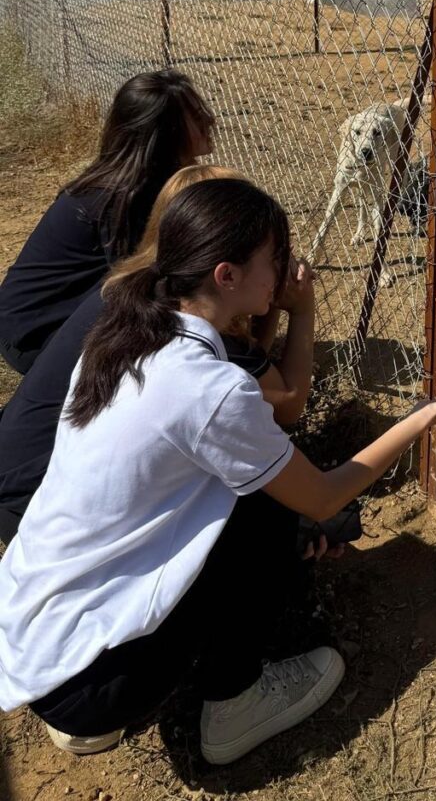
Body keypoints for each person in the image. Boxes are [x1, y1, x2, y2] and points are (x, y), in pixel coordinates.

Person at [0, 178, 436, 765]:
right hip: (93, 685)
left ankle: (90, 696)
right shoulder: (211, 389)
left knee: (255, 482)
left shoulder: (121, 332)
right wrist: (424, 416)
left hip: (29, 634)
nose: (285, 271)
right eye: (274, 259)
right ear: (226, 276)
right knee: (266, 507)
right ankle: (235, 704)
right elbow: (324, 497)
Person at [0, 165, 316, 545]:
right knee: (267, 511)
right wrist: (300, 310)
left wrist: (266, 309)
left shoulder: (138, 286)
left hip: (24, 469)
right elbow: (287, 405)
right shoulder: (183, 316)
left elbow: (247, 374)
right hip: (35, 497)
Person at [0, 69, 214, 374]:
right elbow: (143, 292)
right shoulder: (125, 197)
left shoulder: (144, 180)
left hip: (39, 323)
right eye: (194, 114)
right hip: (35, 338)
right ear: (164, 132)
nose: (208, 119)